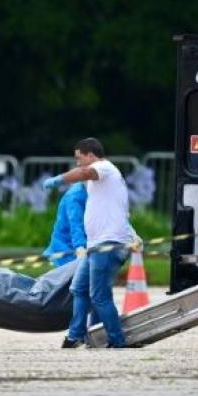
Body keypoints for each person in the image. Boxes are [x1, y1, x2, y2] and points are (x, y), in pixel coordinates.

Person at [43, 137, 135, 348]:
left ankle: (117, 341)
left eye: (79, 158)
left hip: (107, 244)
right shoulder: (99, 181)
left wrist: (59, 179)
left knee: (99, 295)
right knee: (79, 288)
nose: (77, 163)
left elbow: (84, 173)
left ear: (91, 155)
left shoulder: (103, 167)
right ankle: (75, 336)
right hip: (95, 245)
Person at [43, 182, 87, 267]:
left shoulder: (87, 192)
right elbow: (75, 224)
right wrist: (80, 247)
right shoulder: (75, 196)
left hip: (70, 251)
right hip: (63, 255)